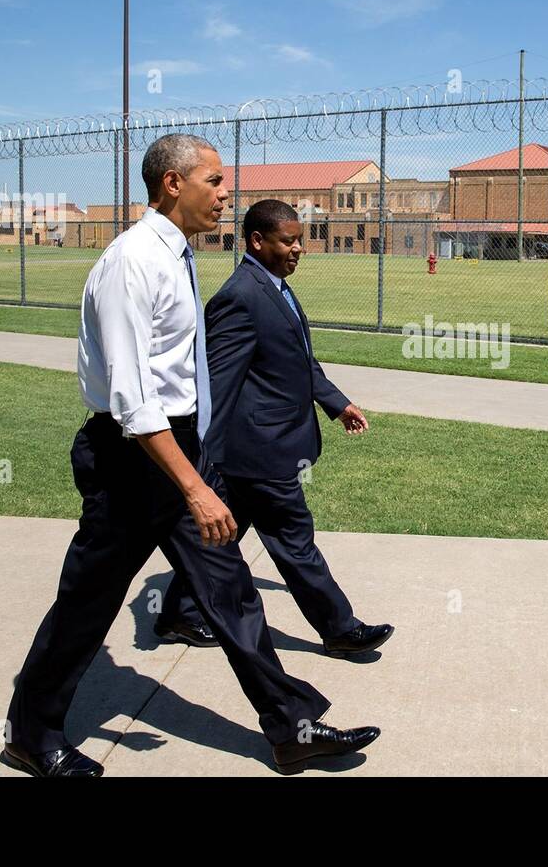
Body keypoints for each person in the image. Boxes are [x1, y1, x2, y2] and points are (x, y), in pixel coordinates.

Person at [2, 135, 378, 777]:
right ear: (173, 184)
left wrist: (202, 464)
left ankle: (291, 728)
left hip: (177, 450)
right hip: (132, 460)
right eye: (215, 180)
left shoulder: (177, 256)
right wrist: (197, 487)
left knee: (231, 593)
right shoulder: (132, 263)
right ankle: (31, 733)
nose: (226, 193)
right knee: (87, 604)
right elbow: (132, 398)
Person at [156, 199, 394, 659]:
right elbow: (217, 385)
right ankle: (341, 629)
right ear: (257, 241)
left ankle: (179, 613)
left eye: (300, 239)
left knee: (224, 535)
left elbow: (297, 360)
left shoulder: (274, 286)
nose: (299, 248)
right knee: (294, 540)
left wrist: (336, 402)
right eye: (289, 240)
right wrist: (200, 458)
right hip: (260, 452)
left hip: (254, 454)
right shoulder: (239, 297)